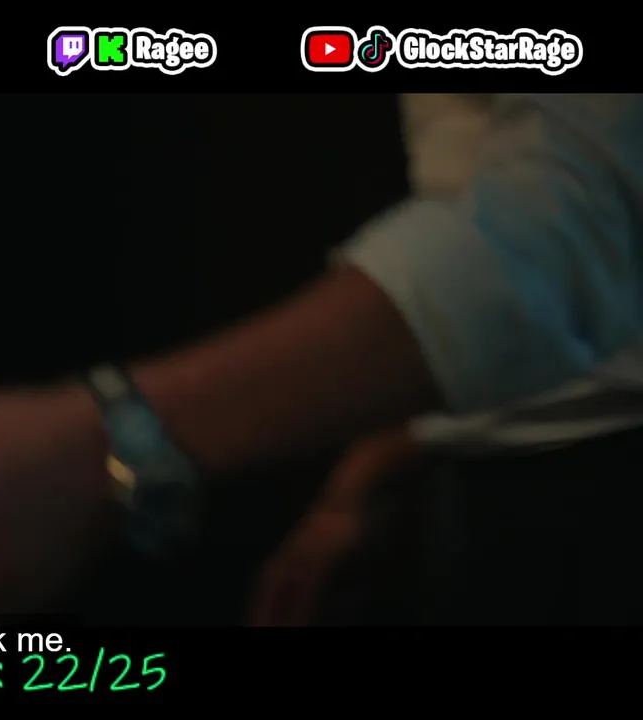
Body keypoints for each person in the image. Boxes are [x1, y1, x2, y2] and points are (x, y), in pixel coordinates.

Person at [0, 94, 643, 621]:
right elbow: (490, 177)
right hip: (492, 473)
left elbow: (592, 211)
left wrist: (108, 438)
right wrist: (400, 446)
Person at [249, 95, 643, 625]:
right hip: (491, 459)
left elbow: (566, 244)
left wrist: (156, 425)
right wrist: (366, 472)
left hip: (587, 478)